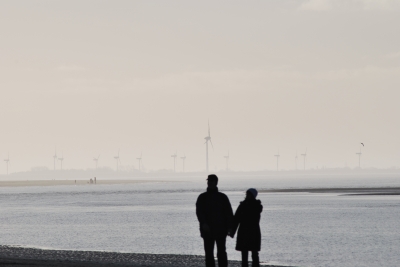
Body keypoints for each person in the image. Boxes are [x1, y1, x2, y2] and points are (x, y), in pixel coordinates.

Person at [196, 174, 234, 267]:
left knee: (221, 252)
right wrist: (203, 223)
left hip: (221, 230)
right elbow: (199, 212)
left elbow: (229, 213)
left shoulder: (223, 197)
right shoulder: (202, 197)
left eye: (211, 181)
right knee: (209, 254)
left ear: (216, 182)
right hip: (207, 230)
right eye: (208, 181)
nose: (209, 182)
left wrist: (230, 228)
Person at [231, 188, 263, 267]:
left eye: (248, 194)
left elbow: (236, 219)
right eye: (246, 194)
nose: (246, 196)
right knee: (245, 254)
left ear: (252, 195)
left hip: (251, 232)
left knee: (253, 253)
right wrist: (232, 232)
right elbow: (236, 219)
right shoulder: (247, 205)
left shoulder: (255, 206)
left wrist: (232, 231)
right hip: (247, 231)